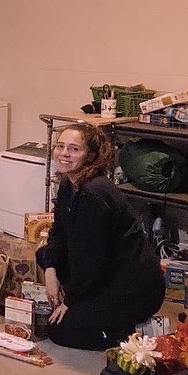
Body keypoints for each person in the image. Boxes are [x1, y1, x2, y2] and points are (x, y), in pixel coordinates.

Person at [36, 122, 165, 350]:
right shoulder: (69, 184)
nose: (64, 154)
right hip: (102, 274)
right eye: (60, 146)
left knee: (59, 330)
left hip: (131, 287)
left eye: (74, 149)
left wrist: (71, 299)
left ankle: (127, 334)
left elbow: (91, 258)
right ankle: (88, 306)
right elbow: (59, 233)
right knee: (44, 256)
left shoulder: (94, 194)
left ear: (90, 156)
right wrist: (50, 272)